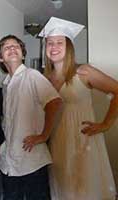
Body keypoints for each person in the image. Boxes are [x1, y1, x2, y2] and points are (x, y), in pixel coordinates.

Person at [39, 17, 118, 200]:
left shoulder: (84, 72)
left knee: (86, 190)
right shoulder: (44, 80)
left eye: (60, 42)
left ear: (69, 47)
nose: (54, 47)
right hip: (57, 145)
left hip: (83, 143)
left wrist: (106, 124)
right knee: (62, 190)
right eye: (50, 43)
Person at [0, 35, 62, 200]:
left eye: (16, 46)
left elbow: (54, 102)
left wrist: (44, 135)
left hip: (32, 161)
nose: (12, 48)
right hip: (9, 162)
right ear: (0, 58)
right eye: (6, 47)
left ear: (23, 54)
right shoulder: (6, 84)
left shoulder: (31, 75)